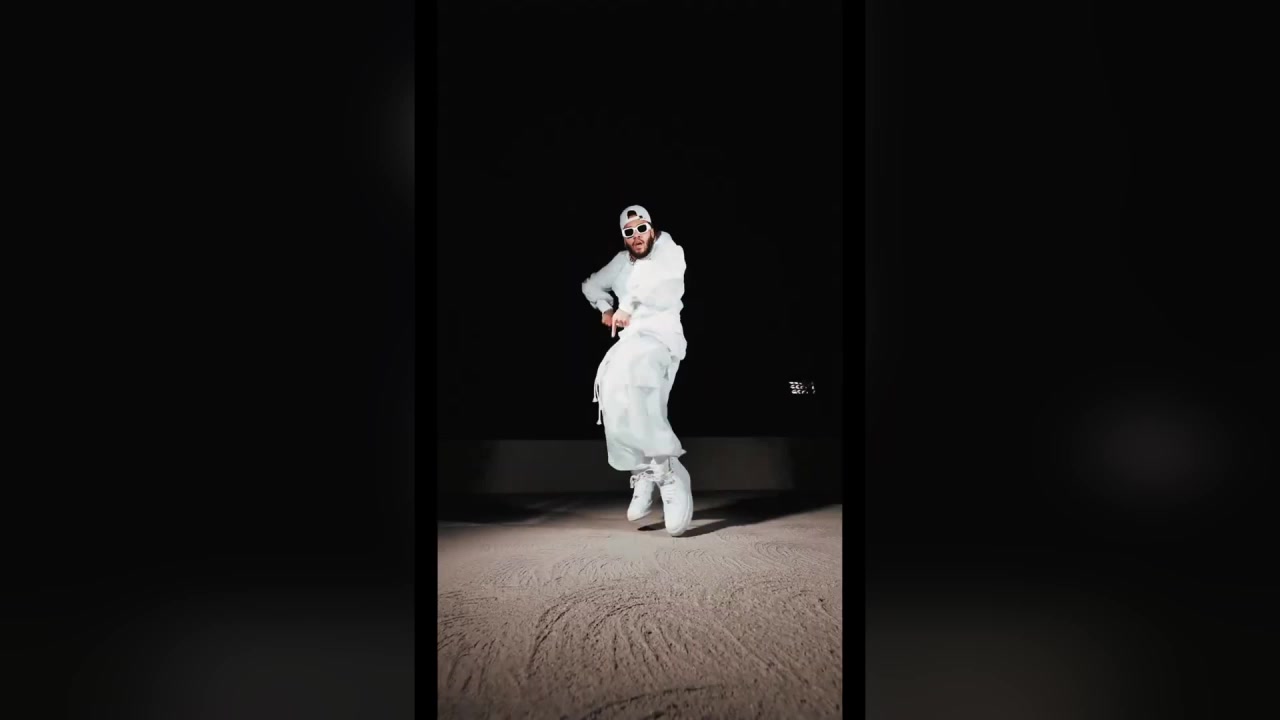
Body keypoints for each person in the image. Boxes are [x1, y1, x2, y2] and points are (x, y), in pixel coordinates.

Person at [581, 205, 693, 536]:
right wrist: (606, 308)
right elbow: (591, 286)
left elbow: (659, 282)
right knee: (611, 388)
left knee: (638, 377)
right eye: (629, 232)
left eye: (641, 228)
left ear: (652, 229)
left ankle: (669, 470)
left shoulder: (668, 249)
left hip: (662, 337)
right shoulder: (620, 262)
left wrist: (627, 307)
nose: (637, 236)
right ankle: (643, 469)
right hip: (631, 341)